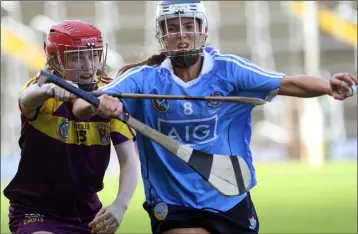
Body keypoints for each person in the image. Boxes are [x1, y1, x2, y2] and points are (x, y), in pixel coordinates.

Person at [72, 1, 357, 234]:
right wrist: (100, 104)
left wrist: (327, 86)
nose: (181, 34)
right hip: (173, 203)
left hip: (229, 193)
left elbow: (288, 83)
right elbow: (81, 107)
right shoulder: (144, 79)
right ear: (162, 35)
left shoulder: (229, 70)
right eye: (171, 28)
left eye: (188, 26)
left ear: (203, 31)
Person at [3, 20, 140, 234]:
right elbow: (25, 99)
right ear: (56, 58)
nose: (88, 65)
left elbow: (129, 159)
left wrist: (120, 205)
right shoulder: (42, 88)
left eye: (93, 54)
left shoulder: (109, 92)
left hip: (87, 214)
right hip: (36, 211)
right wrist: (49, 90)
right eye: (76, 57)